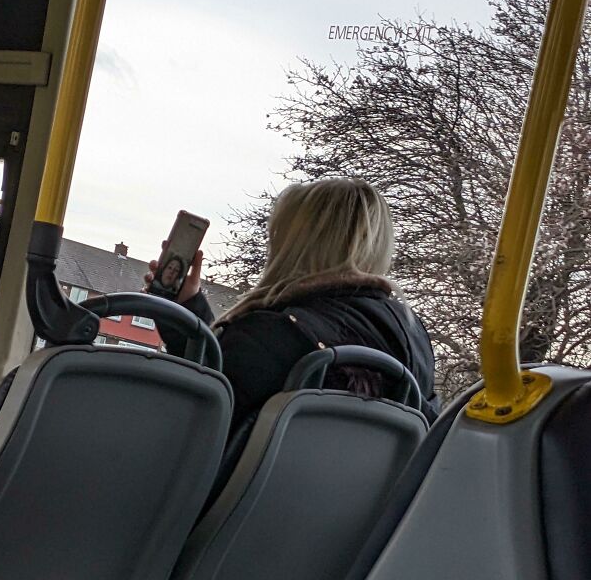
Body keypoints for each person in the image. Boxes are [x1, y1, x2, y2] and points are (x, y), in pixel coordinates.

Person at [147, 177, 440, 438]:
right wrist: (188, 307)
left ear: (292, 246)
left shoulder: (269, 334)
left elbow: (195, 425)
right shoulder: (413, 340)